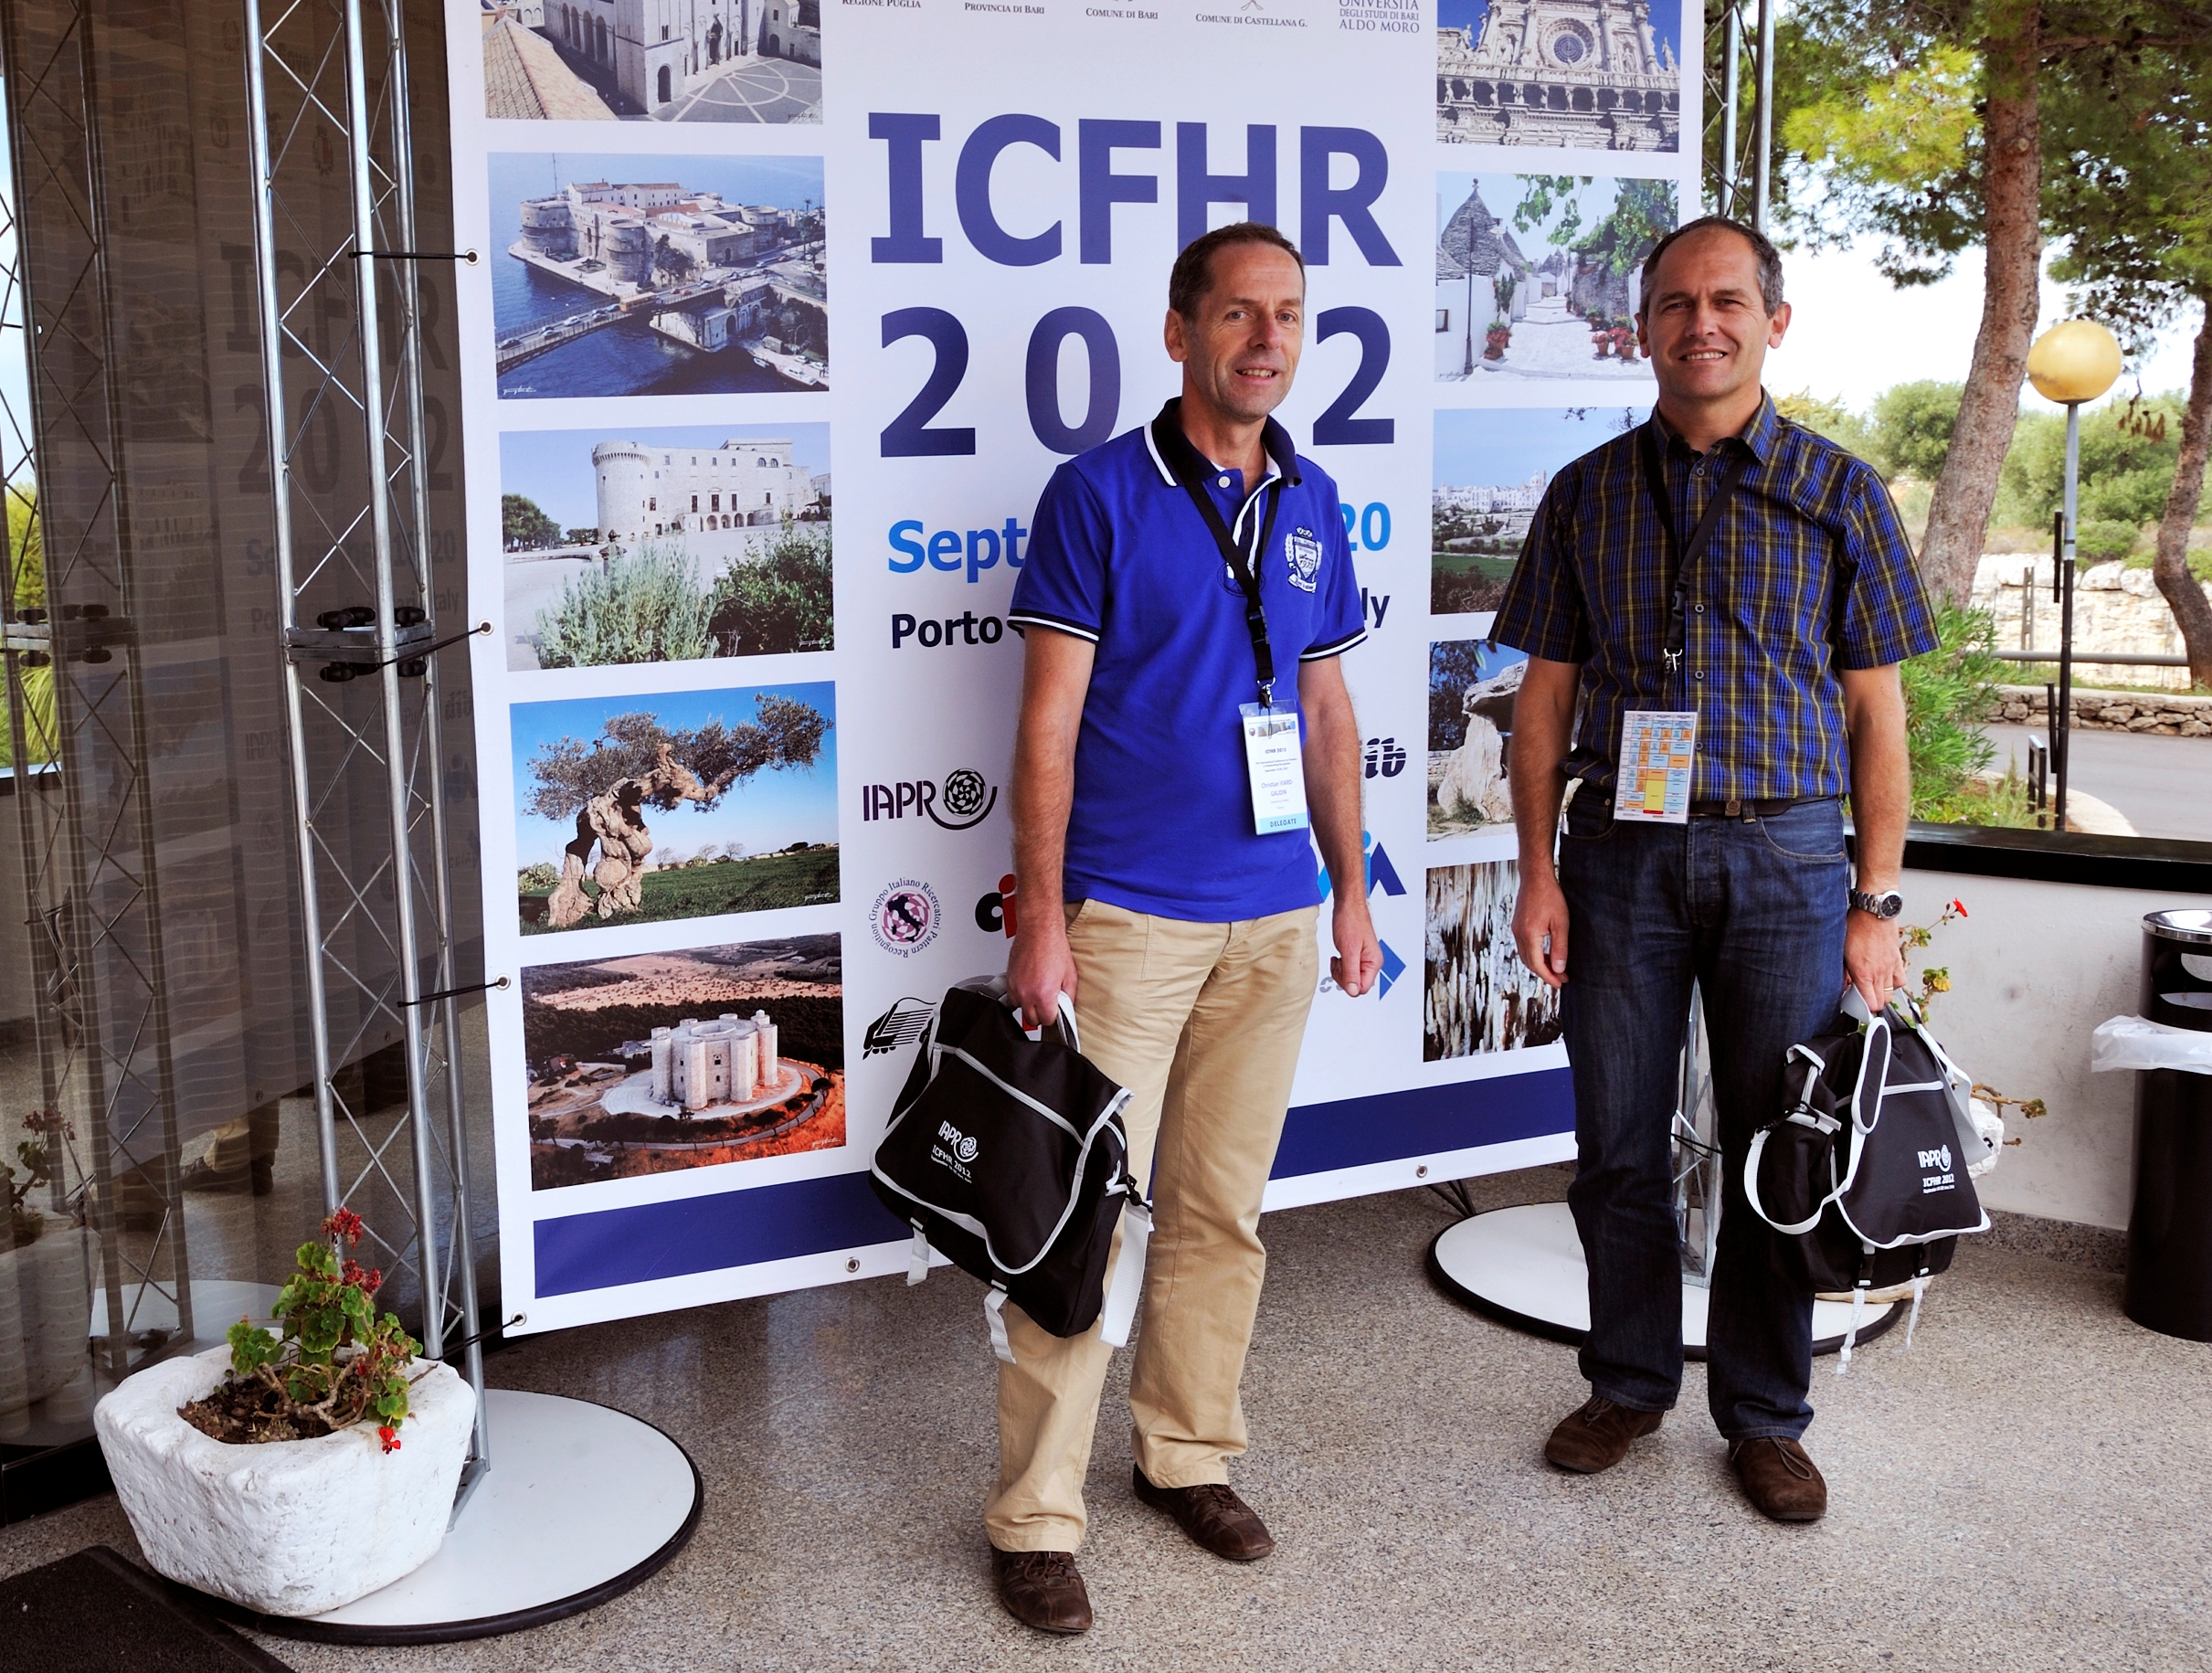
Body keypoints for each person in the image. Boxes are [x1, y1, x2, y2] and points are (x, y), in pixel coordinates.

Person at [1493, 215, 1938, 1523]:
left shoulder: (1840, 491)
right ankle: (1628, 1382)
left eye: (1728, 301)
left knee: (1774, 1153)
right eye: (1676, 303)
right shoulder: (1585, 492)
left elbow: (1878, 717)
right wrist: (1535, 871)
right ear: (1641, 329)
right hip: (1618, 859)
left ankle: (1765, 1416)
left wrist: (1875, 899)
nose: (1702, 324)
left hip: (1786, 859)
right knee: (1617, 1148)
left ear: (1773, 323)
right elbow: (1541, 701)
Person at [992, 221, 1381, 1633]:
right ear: (1178, 333)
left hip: (1273, 922)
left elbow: (1323, 711)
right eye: (1236, 313)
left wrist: (1350, 889)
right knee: (1076, 1224)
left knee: (1221, 1213)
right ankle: (1036, 1517)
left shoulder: (1313, 499)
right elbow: (1046, 722)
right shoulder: (1096, 493)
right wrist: (1042, 919)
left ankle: (1184, 1453)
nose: (1266, 340)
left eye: (1287, 315)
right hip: (1127, 925)